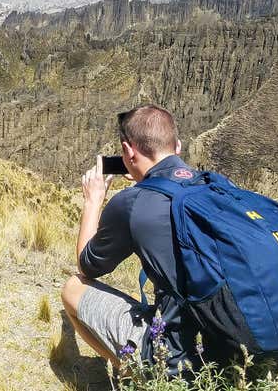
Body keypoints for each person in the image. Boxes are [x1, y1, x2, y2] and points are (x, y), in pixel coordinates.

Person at [61, 104, 202, 372]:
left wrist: (93, 201)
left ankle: (139, 377)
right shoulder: (213, 185)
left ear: (127, 151)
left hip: (178, 358)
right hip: (241, 346)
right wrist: (144, 180)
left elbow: (87, 265)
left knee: (73, 287)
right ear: (178, 147)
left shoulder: (132, 203)